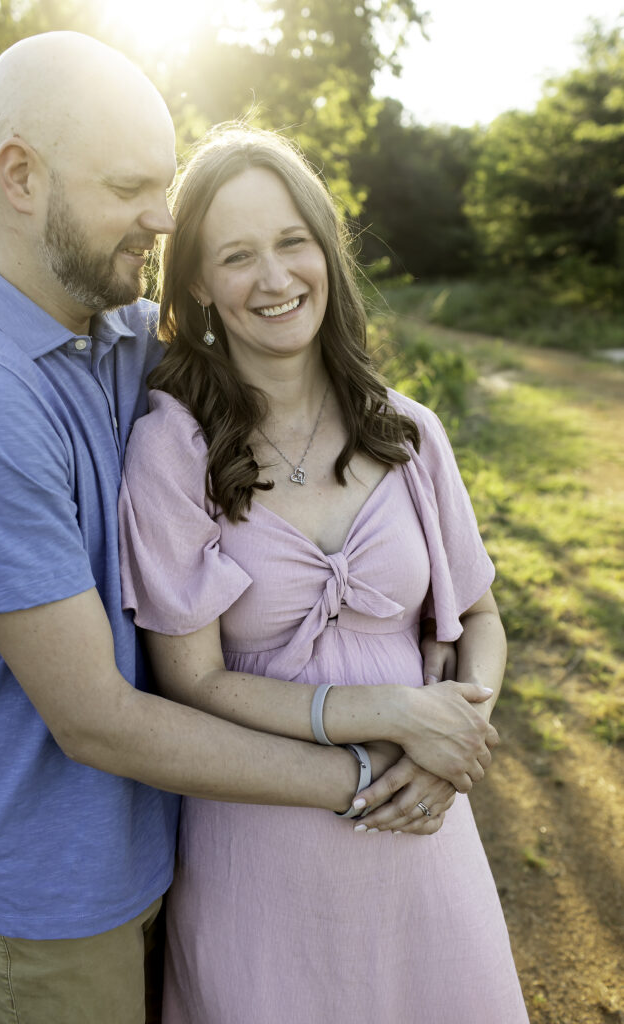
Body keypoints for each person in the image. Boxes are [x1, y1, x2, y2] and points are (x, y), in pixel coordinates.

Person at [0, 32, 501, 1024]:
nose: (160, 221)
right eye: (129, 188)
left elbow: (235, 341)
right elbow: (98, 715)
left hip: (172, 838)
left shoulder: (114, 340)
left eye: (165, 190)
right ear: (20, 176)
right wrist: (384, 756)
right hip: (59, 889)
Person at [117, 125, 530, 1023]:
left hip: (423, 840)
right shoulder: (172, 450)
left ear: (325, 251)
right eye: (237, 255)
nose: (273, 279)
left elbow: (481, 618)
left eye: (292, 241)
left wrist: (453, 742)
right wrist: (386, 715)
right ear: (197, 283)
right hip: (259, 855)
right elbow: (191, 681)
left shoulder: (409, 432)